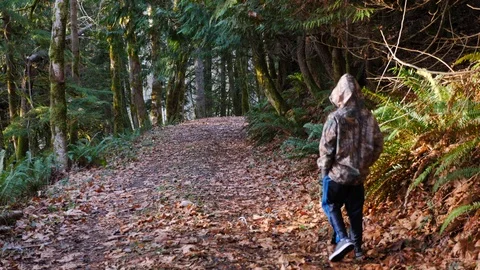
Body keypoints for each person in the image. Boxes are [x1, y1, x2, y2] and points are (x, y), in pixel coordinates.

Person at [317, 73, 383, 262]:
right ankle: (358, 250)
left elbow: (326, 148)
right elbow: (378, 144)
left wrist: (324, 171)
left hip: (337, 174)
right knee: (355, 212)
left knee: (329, 204)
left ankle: (343, 238)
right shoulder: (369, 117)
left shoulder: (336, 118)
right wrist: (366, 163)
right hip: (358, 176)